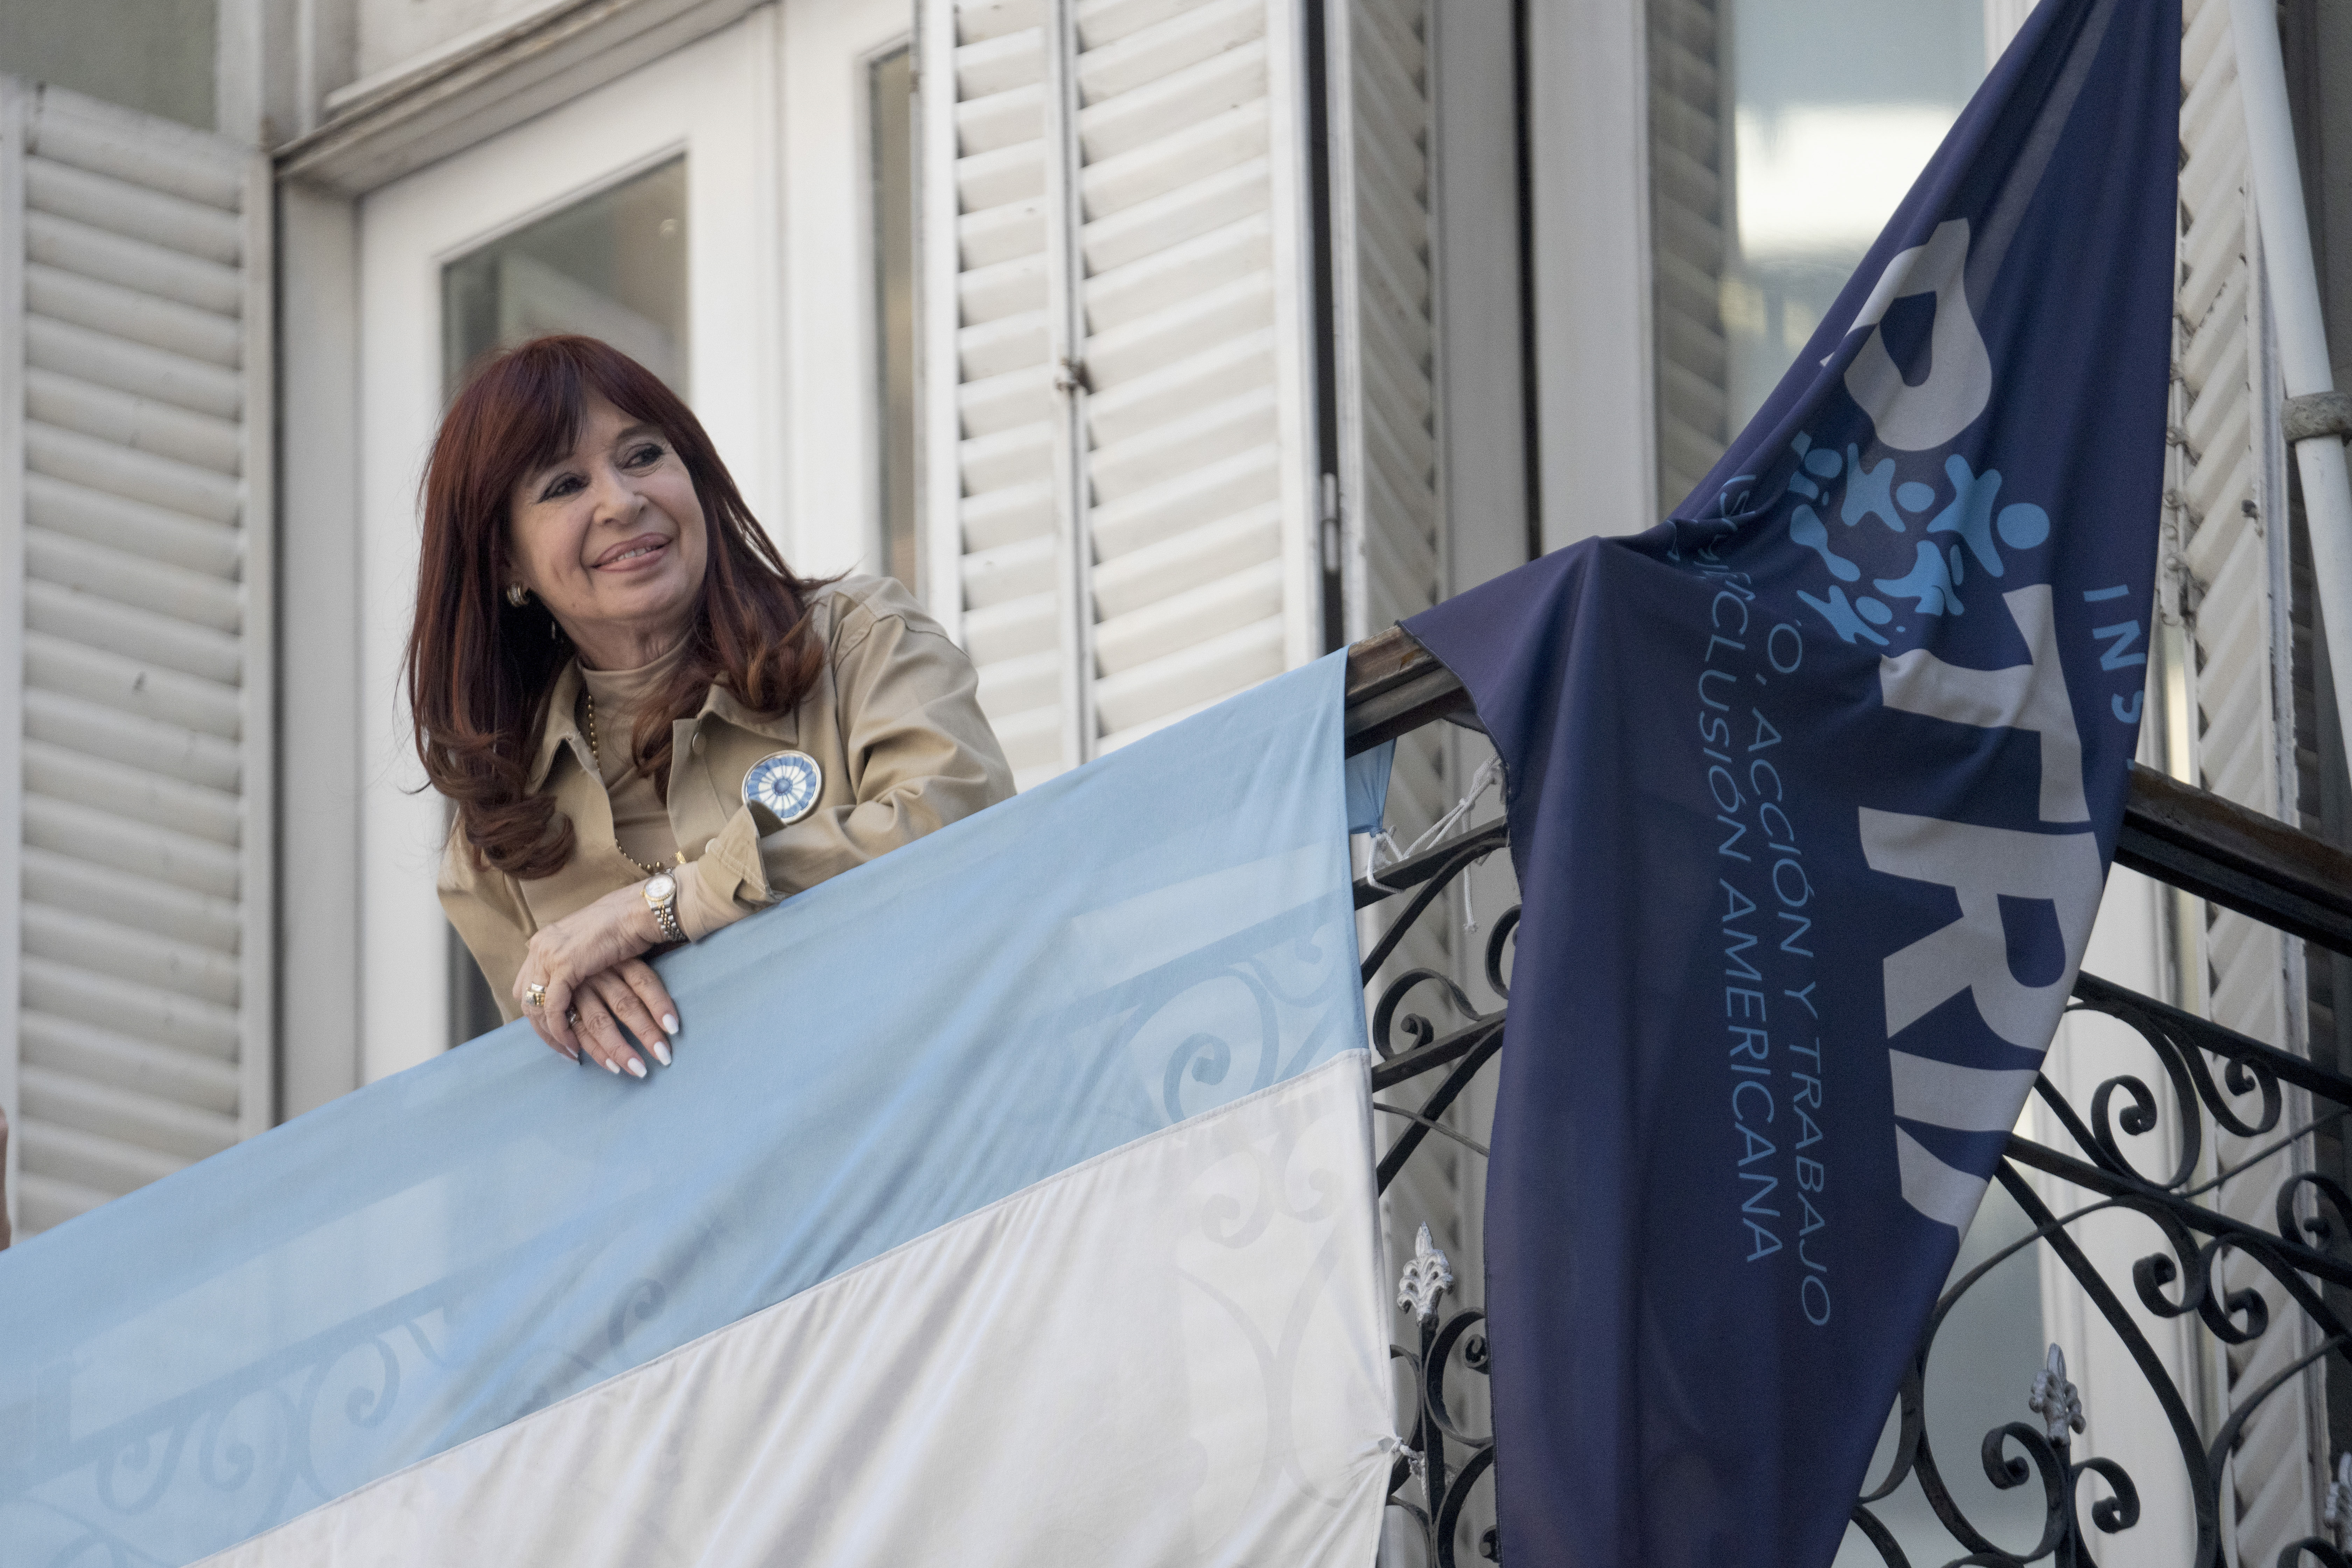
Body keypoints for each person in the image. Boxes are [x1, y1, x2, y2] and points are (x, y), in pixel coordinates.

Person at [409, 336, 1013, 1076]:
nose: (623, 501)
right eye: (564, 485)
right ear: (505, 558)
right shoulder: (493, 848)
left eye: (642, 456)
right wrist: (556, 1007)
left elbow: (963, 826)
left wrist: (657, 909)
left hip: (984, 1130)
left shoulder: (859, 639)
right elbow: (559, 1116)